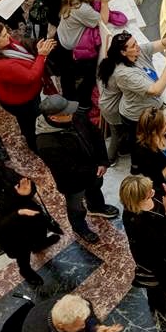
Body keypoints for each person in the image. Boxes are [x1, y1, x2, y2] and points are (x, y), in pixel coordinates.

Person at [0, 156, 59, 287]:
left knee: (39, 233)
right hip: (13, 231)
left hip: (31, 217)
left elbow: (26, 184)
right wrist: (18, 212)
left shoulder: (0, 171)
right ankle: (26, 271)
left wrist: (27, 192)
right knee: (22, 253)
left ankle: (39, 245)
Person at [35, 94, 118, 244]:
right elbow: (68, 169)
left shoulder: (75, 116)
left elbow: (96, 134)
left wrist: (102, 161)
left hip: (93, 169)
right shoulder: (46, 143)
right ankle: (80, 228)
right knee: (76, 206)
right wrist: (94, 169)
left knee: (95, 188)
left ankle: (97, 207)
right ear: (54, 118)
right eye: (67, 112)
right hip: (73, 182)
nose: (72, 113)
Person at [0, 21, 56, 151]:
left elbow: (22, 49)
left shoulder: (4, 45)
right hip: (21, 100)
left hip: (24, 93)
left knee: (27, 119)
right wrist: (41, 55)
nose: (9, 36)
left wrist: (36, 48)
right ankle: (36, 145)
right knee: (31, 123)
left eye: (6, 32)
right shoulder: (1, 65)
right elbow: (31, 77)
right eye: (4, 35)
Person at [120, 174, 166, 311]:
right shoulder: (136, 221)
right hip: (151, 257)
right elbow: (158, 245)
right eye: (149, 191)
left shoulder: (152, 196)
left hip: (164, 249)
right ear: (138, 198)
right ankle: (158, 304)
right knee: (155, 284)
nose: (153, 191)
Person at [97, 30, 166, 146]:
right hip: (136, 116)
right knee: (139, 144)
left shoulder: (138, 52)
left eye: (136, 42)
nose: (137, 46)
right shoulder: (124, 73)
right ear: (124, 52)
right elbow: (155, 90)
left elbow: (160, 44)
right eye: (133, 46)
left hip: (145, 108)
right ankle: (111, 160)